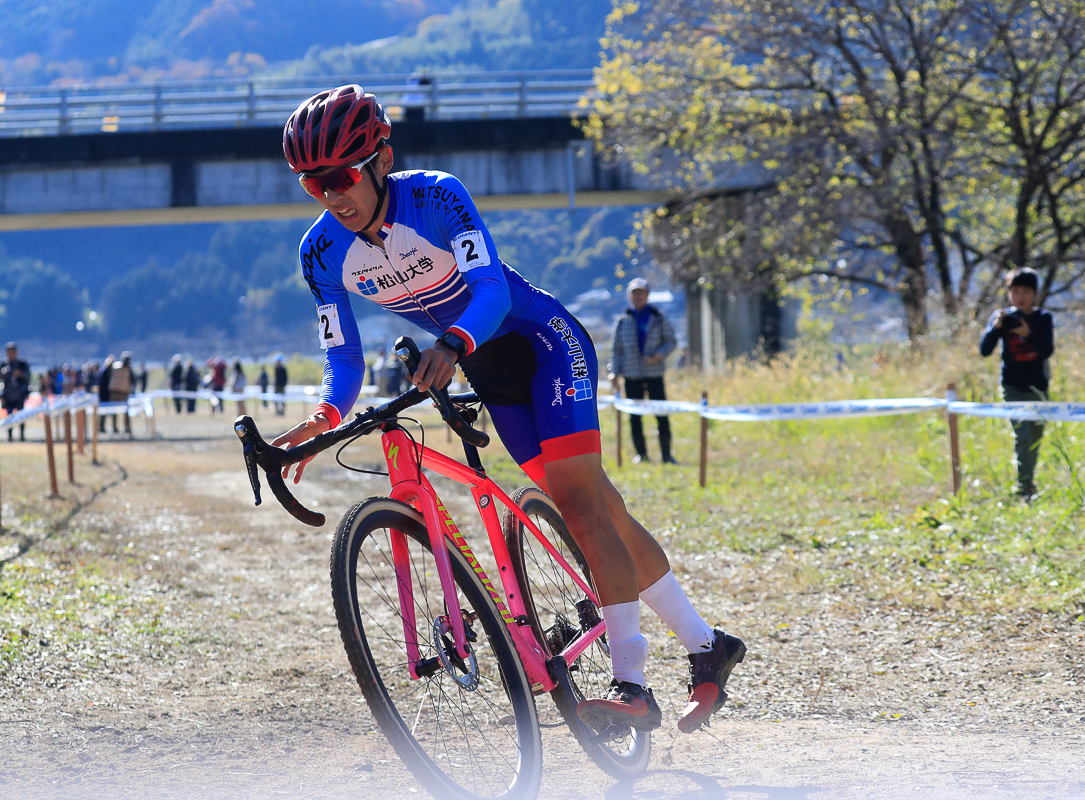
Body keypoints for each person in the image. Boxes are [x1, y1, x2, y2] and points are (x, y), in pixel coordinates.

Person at [271, 84, 744, 733]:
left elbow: (489, 288)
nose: (331, 195)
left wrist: (452, 341)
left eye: (340, 176)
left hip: (542, 341)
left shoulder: (436, 196)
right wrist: (324, 416)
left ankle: (632, 684)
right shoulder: (321, 252)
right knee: (601, 514)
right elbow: (344, 357)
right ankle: (707, 644)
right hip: (487, 370)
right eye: (312, 183)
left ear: (381, 158)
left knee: (581, 507)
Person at [980, 267, 1055, 499]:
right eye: (1014, 291)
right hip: (1012, 386)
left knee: (1034, 438)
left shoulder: (1043, 318)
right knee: (1022, 436)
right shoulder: (1001, 317)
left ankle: (1029, 484)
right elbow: (984, 350)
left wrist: (1027, 334)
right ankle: (1023, 487)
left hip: (1038, 386)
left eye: (1025, 291)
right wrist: (996, 328)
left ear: (1035, 293)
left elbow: (1046, 350)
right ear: (1008, 292)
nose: (1019, 297)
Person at [608, 277, 679, 465]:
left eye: (641, 292)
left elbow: (671, 342)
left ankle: (667, 455)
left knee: (661, 413)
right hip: (631, 375)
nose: (637, 296)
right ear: (629, 296)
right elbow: (616, 350)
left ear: (647, 295)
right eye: (634, 293)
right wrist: (614, 373)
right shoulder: (622, 321)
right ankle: (641, 455)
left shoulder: (658, 317)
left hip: (654, 373)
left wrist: (659, 354)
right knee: (635, 417)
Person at [0, 342, 31, 441]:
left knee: (21, 416)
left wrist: (20, 374)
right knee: (9, 416)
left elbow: (28, 377)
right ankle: (10, 436)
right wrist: (3, 373)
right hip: (8, 394)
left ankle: (22, 436)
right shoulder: (4, 364)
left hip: (20, 393)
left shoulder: (22, 364)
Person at [107, 350, 135, 437]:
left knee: (115, 412)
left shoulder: (115, 367)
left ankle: (116, 428)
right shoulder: (129, 370)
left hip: (115, 391)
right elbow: (133, 381)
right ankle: (127, 428)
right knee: (124, 412)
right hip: (123, 392)